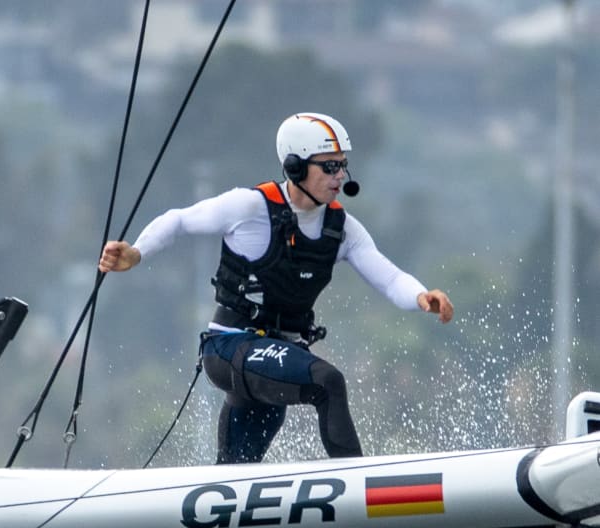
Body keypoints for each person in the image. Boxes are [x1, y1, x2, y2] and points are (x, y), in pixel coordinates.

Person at [98, 112, 453, 464]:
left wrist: (421, 296)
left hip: (276, 355)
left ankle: (226, 492)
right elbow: (178, 220)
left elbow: (389, 278)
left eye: (343, 165)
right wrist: (137, 252)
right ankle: (359, 484)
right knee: (327, 382)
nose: (340, 176)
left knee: (237, 470)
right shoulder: (249, 207)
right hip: (229, 347)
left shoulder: (342, 229)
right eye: (330, 166)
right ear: (295, 167)